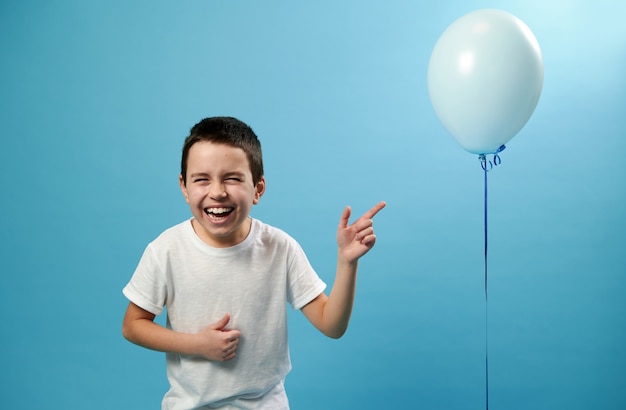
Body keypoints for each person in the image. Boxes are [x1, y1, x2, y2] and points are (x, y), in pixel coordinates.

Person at [122, 116, 385, 409]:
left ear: (258, 189)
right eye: (201, 179)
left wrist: (347, 262)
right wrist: (197, 345)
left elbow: (331, 325)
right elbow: (133, 325)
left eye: (232, 178)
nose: (217, 191)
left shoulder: (280, 248)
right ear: (184, 187)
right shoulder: (166, 250)